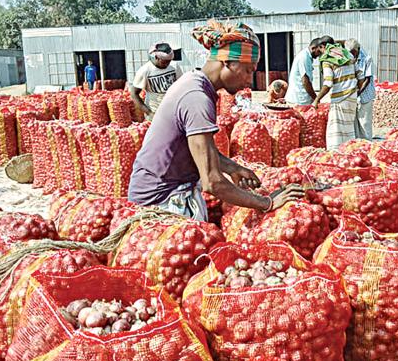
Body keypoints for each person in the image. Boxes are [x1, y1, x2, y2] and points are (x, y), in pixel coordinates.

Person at [128, 20, 303, 220]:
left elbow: (200, 150)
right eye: (248, 70)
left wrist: (234, 168)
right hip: (161, 201)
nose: (249, 80)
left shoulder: (194, 83)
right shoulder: (197, 98)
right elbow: (212, 182)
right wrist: (267, 203)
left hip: (163, 190)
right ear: (227, 62)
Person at [313, 42, 365, 149]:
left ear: (322, 46)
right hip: (352, 96)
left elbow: (328, 83)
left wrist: (317, 99)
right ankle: (349, 150)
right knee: (348, 127)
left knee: (335, 129)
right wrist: (356, 91)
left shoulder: (327, 59)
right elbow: (360, 76)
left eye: (320, 50)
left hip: (340, 98)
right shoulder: (347, 54)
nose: (320, 53)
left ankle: (335, 152)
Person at [130, 42, 183, 120]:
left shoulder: (174, 66)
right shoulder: (145, 71)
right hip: (155, 112)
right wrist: (149, 113)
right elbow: (134, 94)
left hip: (174, 110)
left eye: (169, 61)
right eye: (164, 62)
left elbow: (181, 86)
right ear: (156, 57)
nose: (167, 64)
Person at [285, 36, 334, 105]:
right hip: (299, 101)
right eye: (319, 52)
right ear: (313, 48)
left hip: (300, 99)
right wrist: (316, 98)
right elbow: (305, 81)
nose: (319, 55)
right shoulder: (304, 57)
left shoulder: (306, 56)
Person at [345, 38, 375, 140]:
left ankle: (367, 143)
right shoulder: (349, 58)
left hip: (365, 95)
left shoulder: (367, 59)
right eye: (350, 52)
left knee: (365, 122)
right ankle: (357, 143)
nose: (352, 54)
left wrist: (358, 92)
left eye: (353, 52)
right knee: (355, 123)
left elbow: (367, 79)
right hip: (353, 95)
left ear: (358, 49)